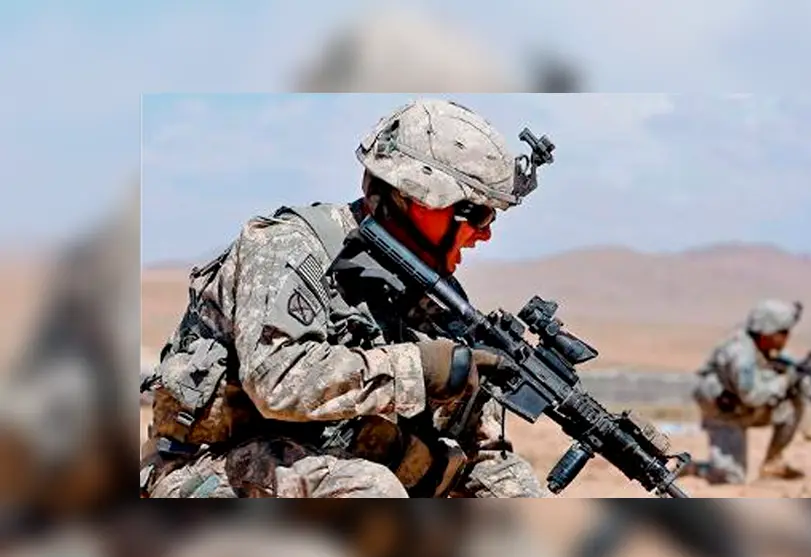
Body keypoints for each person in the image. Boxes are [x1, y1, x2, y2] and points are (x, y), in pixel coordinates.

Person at [140, 98, 548, 498]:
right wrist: (419, 369)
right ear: (419, 197)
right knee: (370, 491)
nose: (486, 233)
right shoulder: (289, 246)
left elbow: (483, 459)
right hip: (205, 468)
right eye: (476, 214)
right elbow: (275, 380)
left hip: (326, 467)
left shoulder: (440, 303)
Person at [680, 299, 811, 484]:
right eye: (782, 332)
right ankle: (691, 467)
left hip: (744, 409)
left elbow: (787, 374)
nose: (787, 337)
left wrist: (803, 380)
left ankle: (772, 463)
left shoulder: (763, 347)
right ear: (766, 332)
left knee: (793, 402)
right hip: (724, 415)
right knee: (730, 478)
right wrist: (786, 380)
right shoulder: (740, 353)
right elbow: (753, 396)